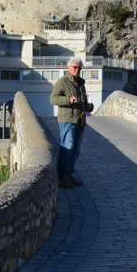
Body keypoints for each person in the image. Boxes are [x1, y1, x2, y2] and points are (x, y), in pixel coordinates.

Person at [50, 57, 92, 188]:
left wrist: (89, 106)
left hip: (80, 120)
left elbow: (84, 101)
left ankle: (69, 174)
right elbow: (53, 99)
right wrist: (68, 100)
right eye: (74, 67)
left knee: (75, 150)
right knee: (67, 147)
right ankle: (63, 177)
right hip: (67, 119)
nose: (77, 69)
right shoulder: (62, 82)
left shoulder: (81, 84)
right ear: (68, 68)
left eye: (79, 67)